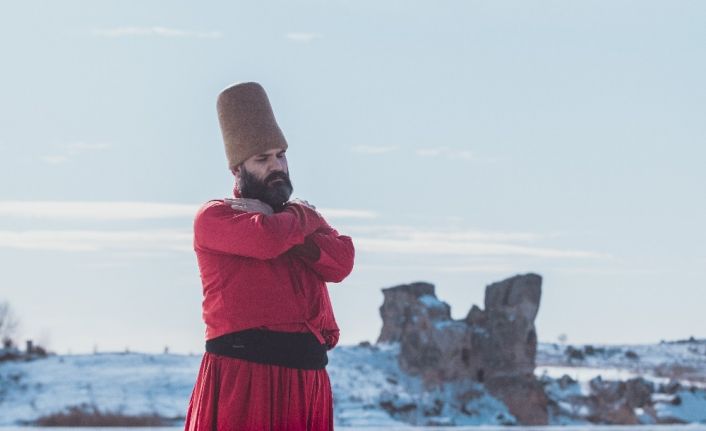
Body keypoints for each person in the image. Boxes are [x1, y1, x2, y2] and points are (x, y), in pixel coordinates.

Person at [183, 82, 355, 431]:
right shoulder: (216, 216)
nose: (276, 166)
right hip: (246, 380)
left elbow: (341, 261)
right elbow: (266, 241)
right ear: (237, 170)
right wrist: (305, 217)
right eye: (262, 159)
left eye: (280, 155)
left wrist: (290, 221)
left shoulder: (290, 220)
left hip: (307, 382)